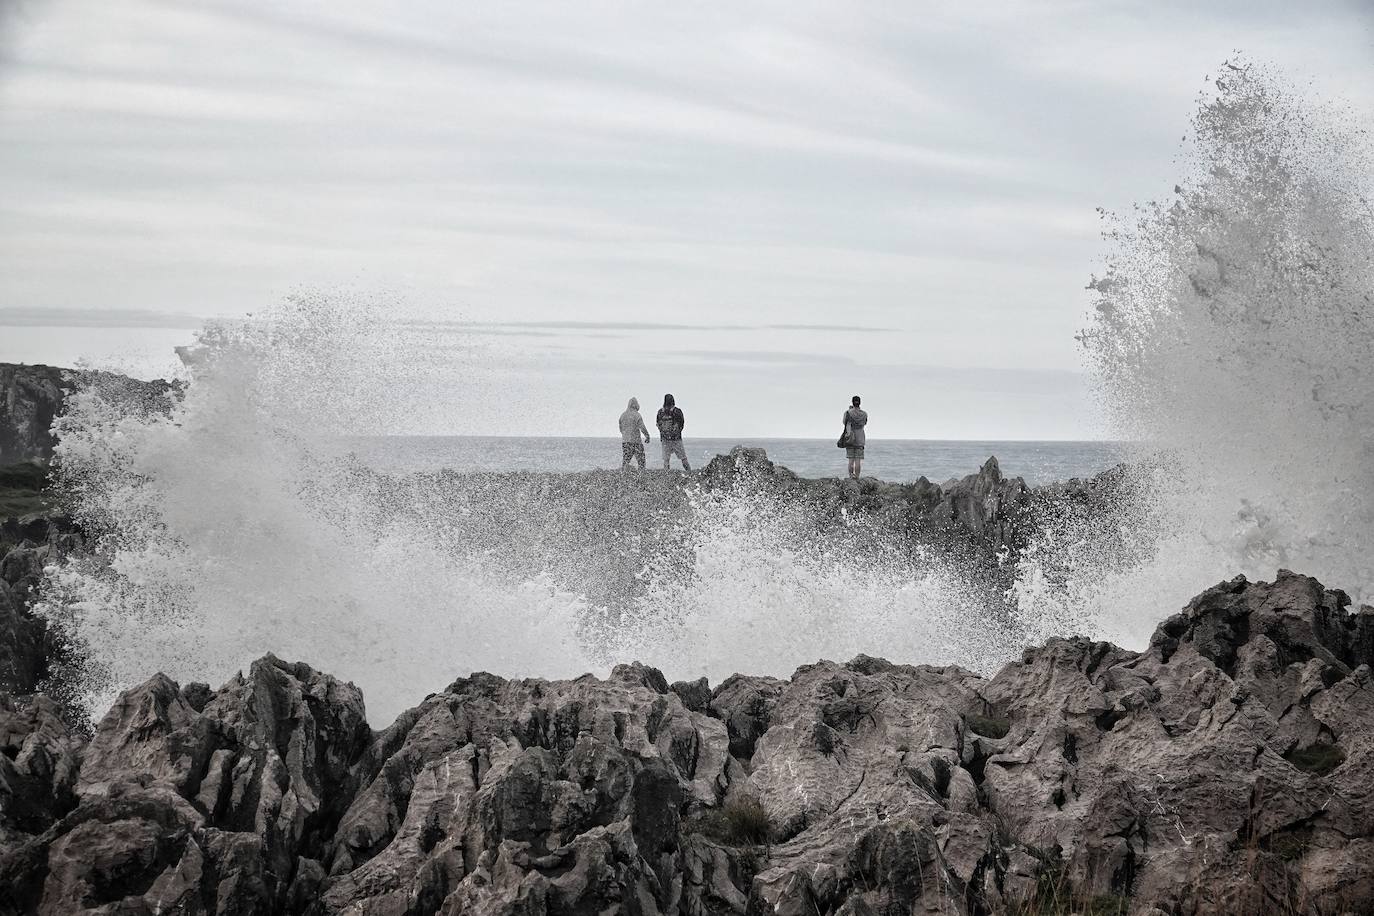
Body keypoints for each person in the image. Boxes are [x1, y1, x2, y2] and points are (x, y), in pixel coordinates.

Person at [656, 393, 690, 471]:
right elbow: (681, 424)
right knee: (683, 458)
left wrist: (664, 435)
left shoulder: (660, 412)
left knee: (666, 460)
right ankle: (689, 472)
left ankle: (666, 474)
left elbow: (658, 425)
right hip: (676, 439)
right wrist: (676, 432)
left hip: (665, 439)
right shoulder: (677, 411)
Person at [618, 397, 651, 470]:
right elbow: (642, 427)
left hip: (625, 442)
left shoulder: (623, 415)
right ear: (636, 405)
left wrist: (626, 435)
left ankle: (624, 474)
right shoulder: (637, 415)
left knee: (626, 461)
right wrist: (647, 436)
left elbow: (621, 429)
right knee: (641, 462)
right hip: (636, 442)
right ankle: (641, 474)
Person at [843, 395, 868, 479]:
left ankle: (851, 476)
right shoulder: (864, 414)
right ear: (860, 403)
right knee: (858, 460)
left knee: (850, 460)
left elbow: (844, 422)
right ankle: (857, 477)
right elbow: (864, 423)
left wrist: (850, 410)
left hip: (850, 438)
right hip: (860, 438)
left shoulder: (848, 412)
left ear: (852, 402)